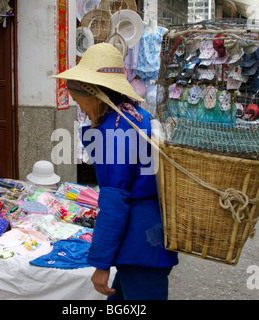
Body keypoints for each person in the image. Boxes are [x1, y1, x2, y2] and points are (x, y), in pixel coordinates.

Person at [53, 43, 178, 300]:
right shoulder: (136, 115)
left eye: (80, 102)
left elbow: (114, 202)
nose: (82, 111)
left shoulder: (115, 130)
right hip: (146, 239)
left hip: (140, 244)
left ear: (94, 94)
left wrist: (101, 264)